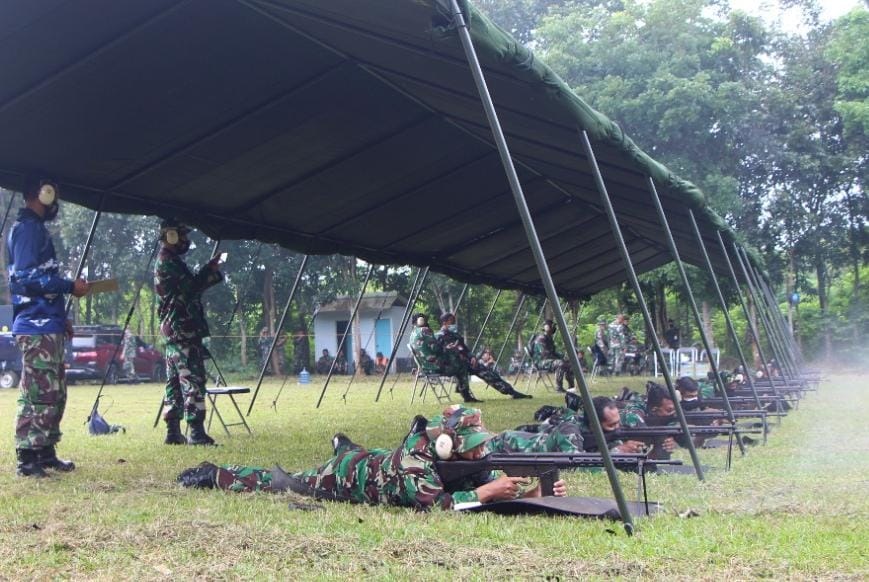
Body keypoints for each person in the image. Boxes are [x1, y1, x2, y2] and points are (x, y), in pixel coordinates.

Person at [178, 405, 567, 509]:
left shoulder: (462, 456)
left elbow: (486, 483)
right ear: (448, 444)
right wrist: (486, 494)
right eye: (475, 443)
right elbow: (438, 506)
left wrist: (531, 495)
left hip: (377, 459)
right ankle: (215, 474)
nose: (483, 450)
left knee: (363, 453)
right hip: (347, 476)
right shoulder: (417, 466)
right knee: (284, 482)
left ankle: (345, 444)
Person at [7, 176, 88, 477]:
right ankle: (27, 458)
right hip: (35, 325)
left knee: (54, 392)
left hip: (47, 322)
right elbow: (24, 279)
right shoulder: (27, 229)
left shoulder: (35, 229)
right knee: (38, 393)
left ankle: (44, 451)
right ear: (41, 194)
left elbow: (40, 280)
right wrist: (69, 286)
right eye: (51, 193)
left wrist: (60, 317)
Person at [155, 218, 223, 446]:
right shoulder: (169, 262)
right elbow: (192, 287)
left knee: (174, 383)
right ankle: (196, 432)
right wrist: (209, 270)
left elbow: (189, 287)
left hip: (173, 331)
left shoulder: (168, 260)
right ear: (171, 236)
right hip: (182, 330)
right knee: (192, 379)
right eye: (182, 235)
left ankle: (173, 432)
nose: (186, 240)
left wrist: (208, 271)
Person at [436, 312, 531, 399]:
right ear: (444, 322)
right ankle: (466, 395)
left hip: (465, 362)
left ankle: (511, 391)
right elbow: (439, 353)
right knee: (463, 369)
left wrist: (472, 357)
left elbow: (465, 349)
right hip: (452, 364)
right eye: (452, 321)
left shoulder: (456, 335)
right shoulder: (439, 336)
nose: (454, 324)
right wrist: (448, 349)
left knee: (486, 371)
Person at [409, 313, 481, 402]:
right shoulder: (425, 331)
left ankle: (460, 388)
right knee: (462, 366)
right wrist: (448, 348)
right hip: (435, 366)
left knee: (458, 363)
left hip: (424, 367)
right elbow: (436, 349)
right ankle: (466, 396)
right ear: (422, 320)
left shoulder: (412, 333)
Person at [529, 320, 575, 392]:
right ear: (547, 327)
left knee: (569, 363)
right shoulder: (541, 338)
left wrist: (563, 357)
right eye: (552, 326)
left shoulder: (549, 338)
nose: (553, 328)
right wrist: (559, 359)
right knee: (560, 363)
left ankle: (571, 387)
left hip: (548, 361)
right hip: (541, 362)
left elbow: (553, 352)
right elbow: (544, 354)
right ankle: (559, 388)